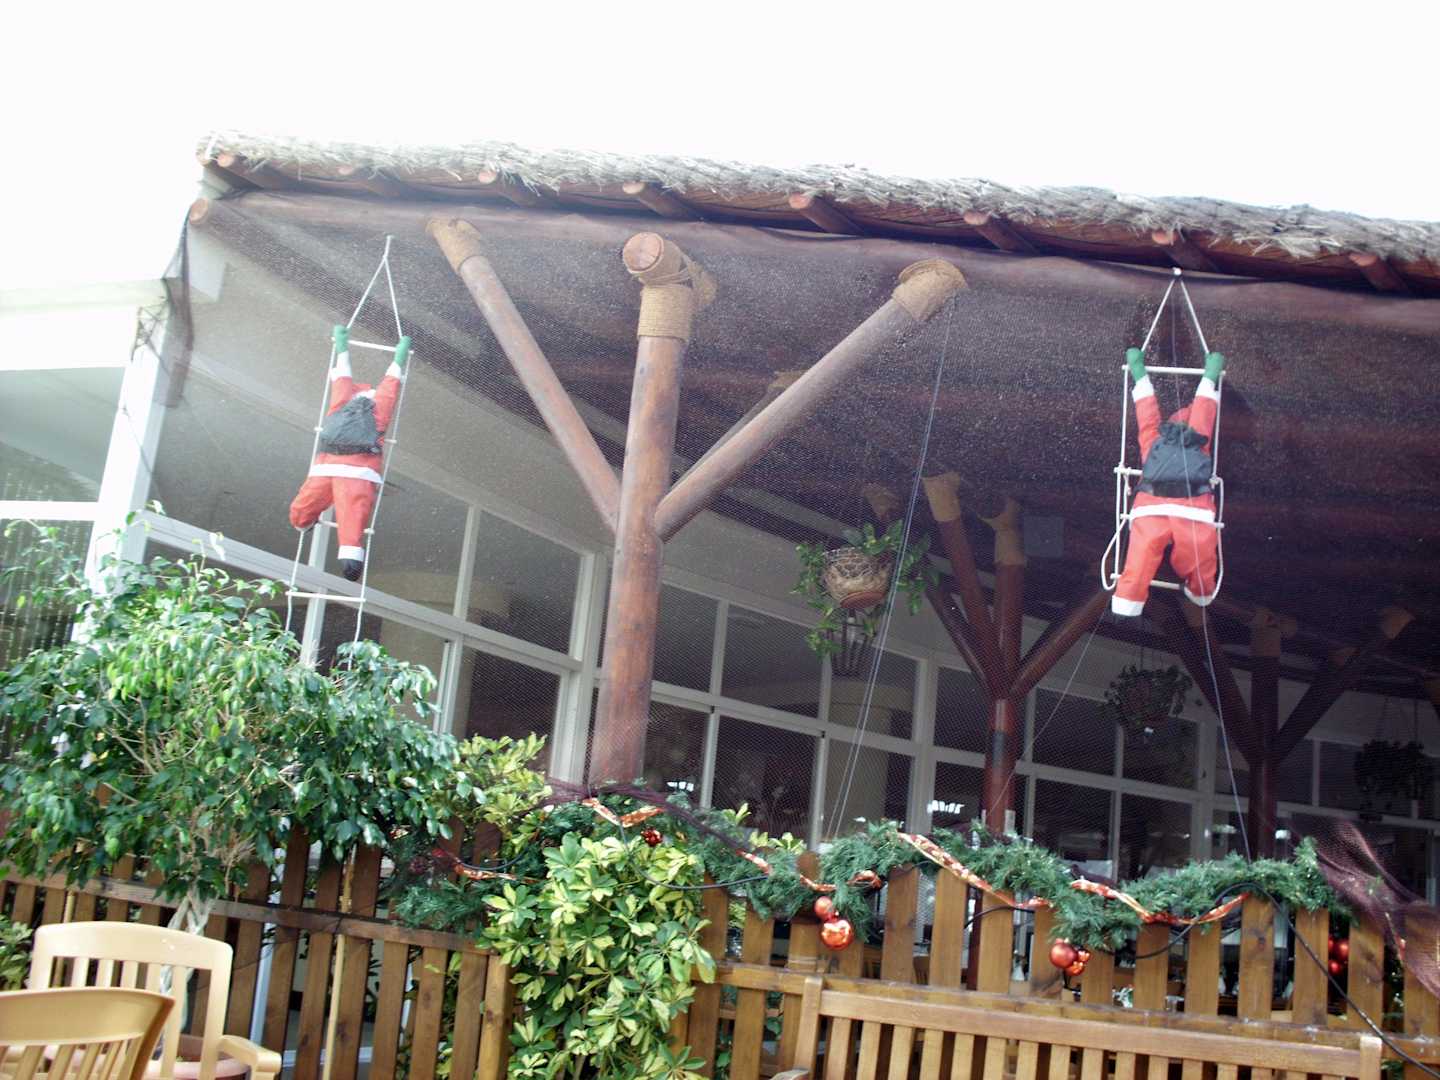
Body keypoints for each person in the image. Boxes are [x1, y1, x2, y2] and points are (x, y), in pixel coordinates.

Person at [1111, 347, 1225, 616]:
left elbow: (1146, 413)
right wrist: (1210, 375)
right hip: (1193, 512)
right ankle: (1200, 592)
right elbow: (1204, 408)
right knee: (1198, 560)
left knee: (1139, 560)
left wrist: (1138, 372)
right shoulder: (1199, 439)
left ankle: (1127, 600)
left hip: (1151, 509)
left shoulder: (1153, 439)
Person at [289, 325, 409, 581]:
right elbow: (389, 386)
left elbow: (343, 378)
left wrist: (342, 347)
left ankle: (302, 522)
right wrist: (399, 359)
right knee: (352, 514)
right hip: (358, 471)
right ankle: (350, 558)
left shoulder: (341, 405)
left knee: (307, 503)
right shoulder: (377, 410)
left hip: (328, 465)